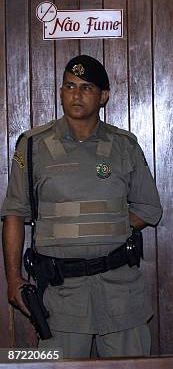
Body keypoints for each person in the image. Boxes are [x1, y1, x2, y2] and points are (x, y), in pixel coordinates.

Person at [2, 55, 162, 357]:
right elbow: (14, 213)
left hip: (120, 291)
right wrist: (12, 278)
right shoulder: (33, 145)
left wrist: (109, 228)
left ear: (103, 96)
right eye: (69, 86)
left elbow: (148, 208)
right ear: (61, 92)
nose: (76, 94)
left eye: (86, 87)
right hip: (60, 295)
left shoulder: (124, 144)